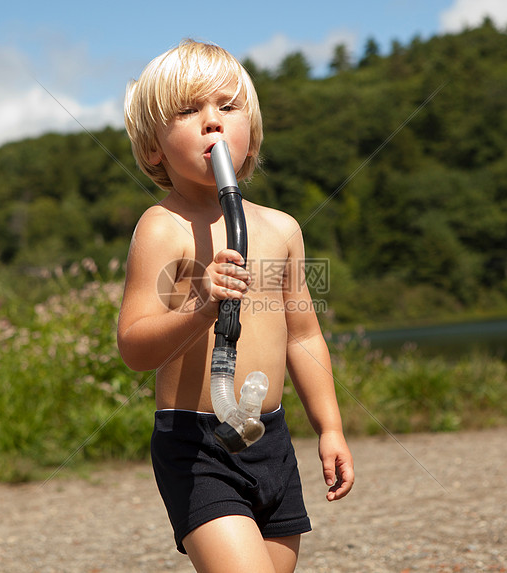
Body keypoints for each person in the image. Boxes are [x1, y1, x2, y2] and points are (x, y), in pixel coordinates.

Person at [118, 39, 354, 573]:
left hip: (269, 438)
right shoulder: (164, 228)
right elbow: (134, 345)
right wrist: (202, 305)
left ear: (251, 135)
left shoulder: (280, 230)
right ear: (154, 148)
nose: (212, 123)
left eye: (227, 107)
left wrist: (330, 426)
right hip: (197, 445)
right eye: (187, 111)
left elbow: (303, 337)